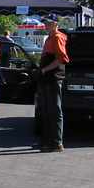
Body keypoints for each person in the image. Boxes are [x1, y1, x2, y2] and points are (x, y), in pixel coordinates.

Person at [36, 14, 70, 152]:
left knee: (55, 110)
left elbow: (61, 59)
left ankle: (57, 143)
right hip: (47, 78)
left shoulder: (57, 37)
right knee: (47, 110)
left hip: (54, 77)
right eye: (45, 23)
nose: (46, 25)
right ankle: (48, 141)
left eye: (49, 23)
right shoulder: (49, 37)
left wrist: (45, 69)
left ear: (56, 24)